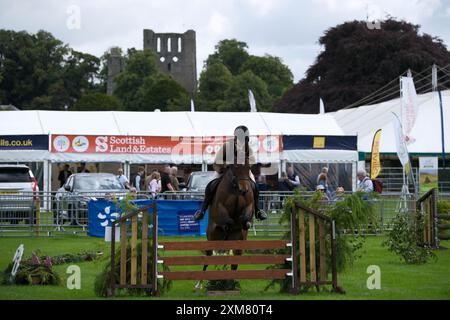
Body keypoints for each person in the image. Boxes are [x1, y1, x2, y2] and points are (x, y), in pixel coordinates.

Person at [194, 126, 268, 222]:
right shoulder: (227, 145)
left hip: (242, 172)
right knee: (211, 185)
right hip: (225, 171)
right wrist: (228, 164)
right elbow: (217, 160)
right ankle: (202, 210)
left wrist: (244, 165)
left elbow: (253, 160)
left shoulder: (247, 147)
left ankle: (258, 210)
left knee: (254, 186)